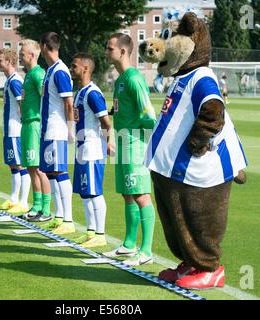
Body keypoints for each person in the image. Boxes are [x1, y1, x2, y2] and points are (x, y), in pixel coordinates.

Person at [103, 33, 157, 266]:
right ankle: (128, 245)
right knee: (128, 193)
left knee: (141, 195)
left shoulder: (134, 79)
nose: (107, 52)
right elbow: (122, 109)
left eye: (110, 48)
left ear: (123, 51)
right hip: (124, 141)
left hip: (135, 143)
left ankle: (146, 250)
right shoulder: (121, 79)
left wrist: (141, 139)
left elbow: (149, 114)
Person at [69, 53, 112, 247]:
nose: (71, 69)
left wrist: (108, 143)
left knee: (94, 192)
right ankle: (90, 232)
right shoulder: (79, 92)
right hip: (81, 149)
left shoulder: (93, 93)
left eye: (74, 66)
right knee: (85, 192)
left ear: (86, 69)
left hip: (92, 149)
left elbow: (106, 122)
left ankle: (100, 234)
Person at [38, 32, 75, 235]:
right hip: (47, 130)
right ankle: (59, 216)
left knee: (60, 171)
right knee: (51, 173)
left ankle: (68, 218)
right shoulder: (50, 70)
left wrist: (70, 129)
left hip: (57, 129)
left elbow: (68, 103)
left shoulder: (60, 71)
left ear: (44, 46)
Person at [18, 39, 52, 222]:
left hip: (34, 124)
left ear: (31, 55)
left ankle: (46, 208)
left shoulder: (39, 74)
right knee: (31, 167)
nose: (20, 57)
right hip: (26, 124)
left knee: (38, 168)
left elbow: (45, 98)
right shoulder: (29, 74)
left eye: (22, 54)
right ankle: (37, 205)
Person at [0, 48, 31, 214]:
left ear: (9, 62)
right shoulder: (8, 80)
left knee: (20, 165)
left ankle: (23, 202)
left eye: (1, 59)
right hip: (8, 130)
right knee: (13, 165)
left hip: (15, 130)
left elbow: (22, 104)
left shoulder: (15, 81)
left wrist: (23, 124)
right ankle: (13, 198)